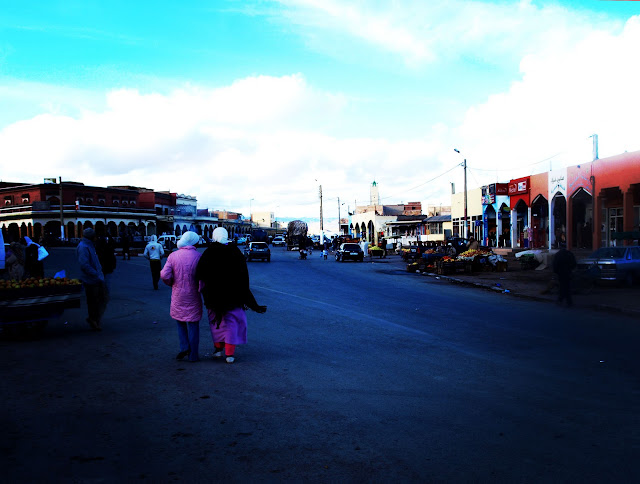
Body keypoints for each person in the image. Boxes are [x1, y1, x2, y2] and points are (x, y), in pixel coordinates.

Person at [196, 227, 267, 364]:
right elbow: (243, 275)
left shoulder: (209, 252)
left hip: (214, 298)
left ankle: (218, 350)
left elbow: (201, 274)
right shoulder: (235, 251)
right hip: (234, 298)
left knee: (216, 324)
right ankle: (229, 354)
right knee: (231, 325)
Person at [160, 231, 203, 363]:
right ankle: (193, 355)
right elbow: (203, 278)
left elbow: (164, 275)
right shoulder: (199, 256)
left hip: (178, 294)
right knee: (193, 324)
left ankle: (184, 346)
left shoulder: (173, 256)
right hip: (193, 294)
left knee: (180, 322)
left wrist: (172, 283)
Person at [77, 228, 107, 331]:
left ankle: (94, 319)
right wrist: (96, 274)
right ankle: (93, 319)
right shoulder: (84, 247)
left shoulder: (90, 246)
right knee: (94, 300)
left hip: (96, 277)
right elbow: (84, 264)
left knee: (99, 299)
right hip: (91, 279)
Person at [95, 233, 117, 297]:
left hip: (103, 265)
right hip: (108, 266)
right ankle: (105, 293)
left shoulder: (100, 246)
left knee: (102, 279)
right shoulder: (110, 246)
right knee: (107, 280)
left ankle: (102, 293)